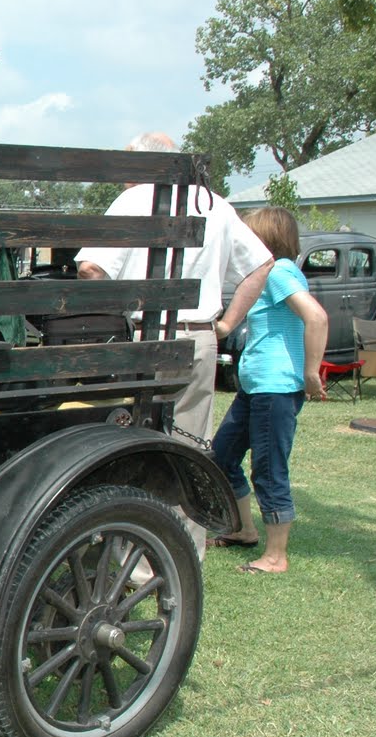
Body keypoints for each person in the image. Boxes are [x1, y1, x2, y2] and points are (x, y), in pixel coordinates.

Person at [75, 131, 274, 553]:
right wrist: (225, 324)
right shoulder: (216, 205)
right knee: (187, 448)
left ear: (143, 165)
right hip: (199, 337)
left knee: (129, 443)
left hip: (148, 336)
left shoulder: (136, 199)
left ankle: (134, 556)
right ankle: (181, 554)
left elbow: (92, 268)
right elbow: (261, 264)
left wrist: (120, 311)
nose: (125, 180)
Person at [207, 207, 328, 575]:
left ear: (263, 240)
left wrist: (311, 372)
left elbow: (317, 317)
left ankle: (276, 557)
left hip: (275, 390)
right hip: (256, 388)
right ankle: (244, 530)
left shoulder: (277, 272)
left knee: (269, 470)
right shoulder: (270, 275)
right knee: (222, 457)